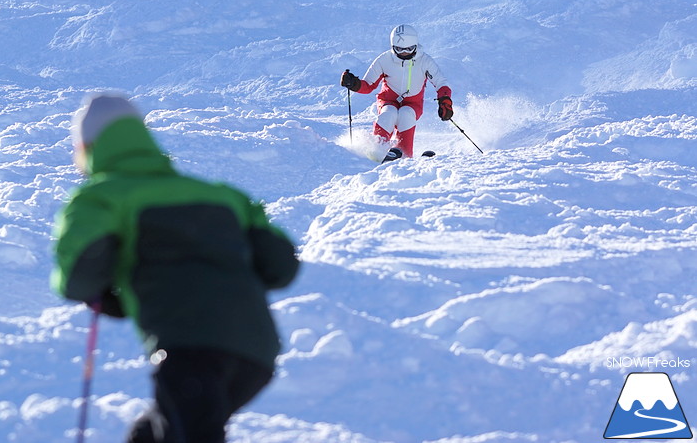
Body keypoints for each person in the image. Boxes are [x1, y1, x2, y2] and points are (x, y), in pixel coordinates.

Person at [51, 94, 300, 443]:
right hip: (256, 354)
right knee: (152, 435)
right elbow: (282, 267)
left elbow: (78, 277)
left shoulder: (101, 197)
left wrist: (108, 292)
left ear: (87, 147)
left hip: (189, 352)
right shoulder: (224, 196)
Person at [340, 24, 454, 159]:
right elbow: (368, 85)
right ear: (393, 46)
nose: (404, 53)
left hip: (413, 103)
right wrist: (353, 83)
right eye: (399, 49)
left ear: (416, 46)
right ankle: (376, 151)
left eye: (409, 49)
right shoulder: (385, 59)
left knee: (406, 115)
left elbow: (441, 83)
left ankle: (404, 155)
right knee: (389, 113)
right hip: (388, 100)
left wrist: (445, 100)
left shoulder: (425, 61)